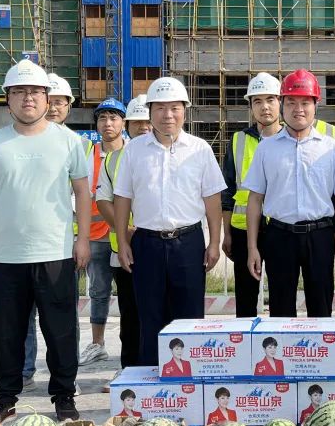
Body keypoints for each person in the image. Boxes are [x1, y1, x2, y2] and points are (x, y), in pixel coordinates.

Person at [0, 59, 89, 426]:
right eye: (19, 92)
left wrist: (83, 238)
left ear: (47, 98)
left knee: (61, 330)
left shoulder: (68, 141)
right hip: (6, 256)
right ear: (8, 99)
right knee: (6, 332)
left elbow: (82, 193)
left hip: (55, 253)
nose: (28, 99)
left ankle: (64, 398)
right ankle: (4, 401)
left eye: (35, 92)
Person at [113, 77, 226, 366]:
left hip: (188, 243)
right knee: (149, 315)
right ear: (150, 111)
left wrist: (214, 242)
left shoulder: (200, 149)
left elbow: (212, 200)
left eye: (175, 108)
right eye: (160, 108)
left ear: (184, 110)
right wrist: (123, 242)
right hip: (146, 243)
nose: (168, 115)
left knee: (189, 317)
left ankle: (189, 377)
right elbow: (123, 197)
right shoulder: (134, 150)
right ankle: (152, 378)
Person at [244, 69, 335, 317]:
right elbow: (255, 200)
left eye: (305, 102)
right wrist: (252, 247)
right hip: (279, 236)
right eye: (291, 102)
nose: (298, 109)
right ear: (282, 105)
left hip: (320, 236)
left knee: (321, 308)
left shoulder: (330, 148)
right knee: (280, 309)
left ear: (316, 106)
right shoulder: (266, 149)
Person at [20, 72, 77, 389]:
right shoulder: (18, 138)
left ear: (69, 106)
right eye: (49, 100)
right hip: (23, 240)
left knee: (62, 314)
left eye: (59, 102)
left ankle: (66, 374)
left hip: (62, 241)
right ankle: (23, 370)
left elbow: (84, 193)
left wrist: (82, 238)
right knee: (22, 313)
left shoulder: (77, 144)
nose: (53, 107)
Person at [95, 95, 151, 375]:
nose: (143, 127)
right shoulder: (115, 159)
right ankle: (130, 368)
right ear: (128, 125)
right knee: (130, 313)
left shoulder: (171, 154)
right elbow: (103, 200)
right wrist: (123, 229)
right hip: (126, 248)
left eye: (147, 121)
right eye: (137, 122)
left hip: (161, 246)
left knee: (159, 311)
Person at [222, 73, 283, 317]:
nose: (264, 107)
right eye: (257, 101)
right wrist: (227, 233)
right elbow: (228, 190)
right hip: (242, 230)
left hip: (280, 228)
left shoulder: (290, 139)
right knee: (245, 298)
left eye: (270, 99)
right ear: (250, 106)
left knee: (281, 295)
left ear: (280, 102)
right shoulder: (238, 140)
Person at [79, 97, 127, 367]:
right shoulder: (88, 153)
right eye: (102, 118)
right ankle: (97, 344)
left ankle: (131, 345)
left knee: (131, 293)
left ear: (123, 123)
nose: (108, 123)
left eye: (113, 118)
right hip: (97, 235)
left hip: (126, 236)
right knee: (98, 291)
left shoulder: (132, 152)